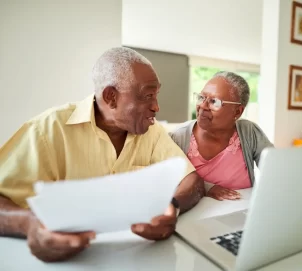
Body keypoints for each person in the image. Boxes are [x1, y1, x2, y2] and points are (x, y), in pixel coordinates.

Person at [0, 47, 205, 262]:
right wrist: (29, 224)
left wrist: (172, 206)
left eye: (156, 95)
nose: (156, 106)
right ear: (111, 97)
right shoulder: (46, 131)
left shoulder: (151, 132)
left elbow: (192, 180)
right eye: (147, 95)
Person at [170, 71, 273, 201]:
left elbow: (275, 169)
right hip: (195, 216)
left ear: (237, 111)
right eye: (201, 97)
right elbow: (169, 180)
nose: (203, 105)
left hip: (242, 213)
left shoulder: (248, 132)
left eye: (214, 101)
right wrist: (208, 188)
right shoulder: (178, 137)